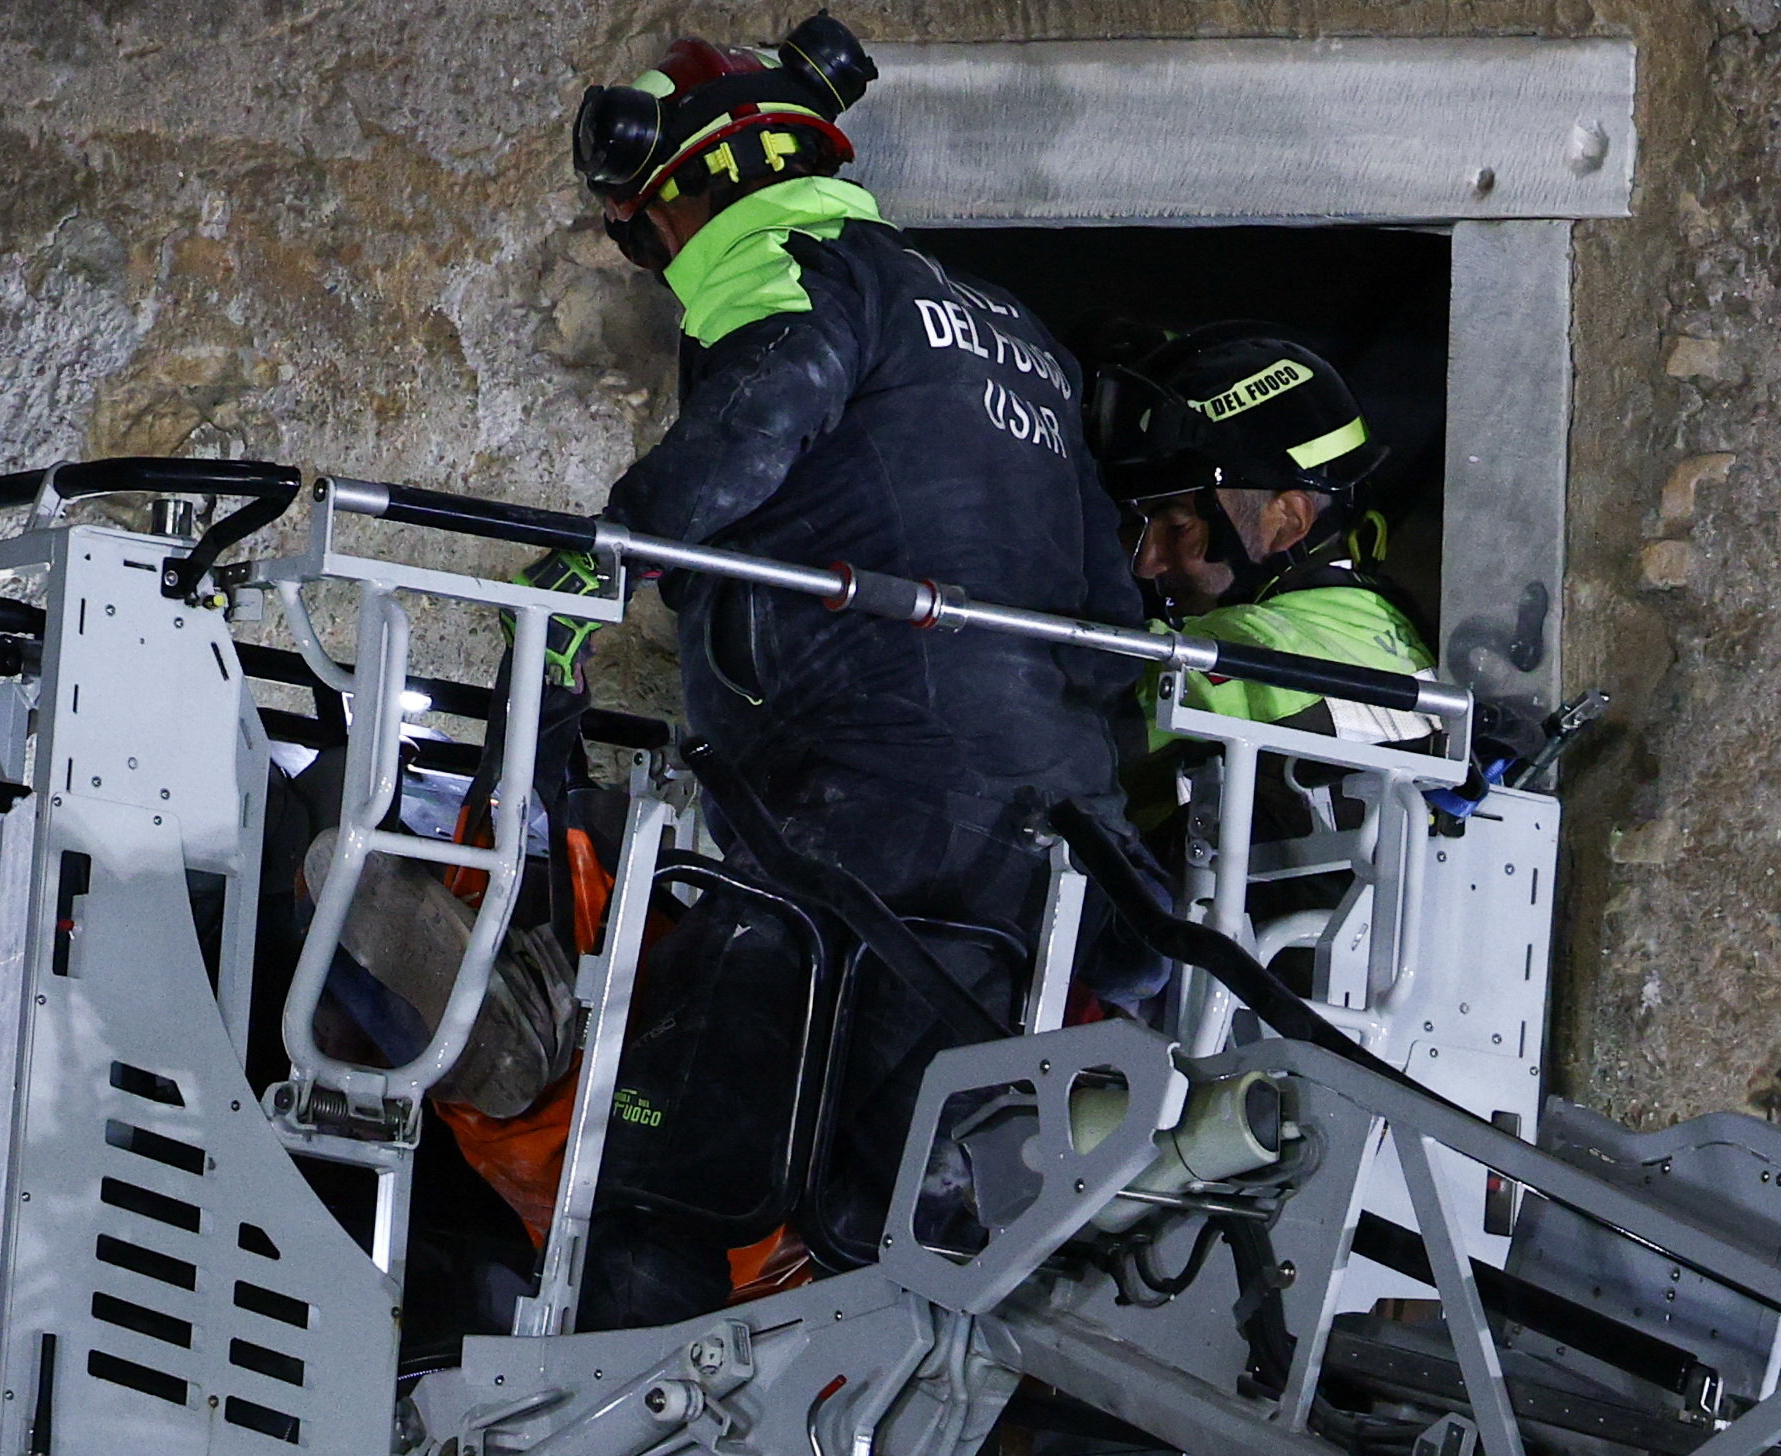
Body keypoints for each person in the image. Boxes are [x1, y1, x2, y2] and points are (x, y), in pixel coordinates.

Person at [555, 14, 1156, 1329]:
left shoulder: (789, 261)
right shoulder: (1018, 334)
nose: (656, 274)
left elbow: (758, 423)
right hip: (1033, 849)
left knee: (667, 1164)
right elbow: (1114, 609)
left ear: (682, 189)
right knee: (882, 1220)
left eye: (646, 240)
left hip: (849, 814)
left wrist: (601, 556)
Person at [1091, 324, 1438, 946]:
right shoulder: (1379, 627)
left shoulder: (1258, 643)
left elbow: (1052, 723)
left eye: (1175, 526)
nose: (1146, 563)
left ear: (1288, 518)